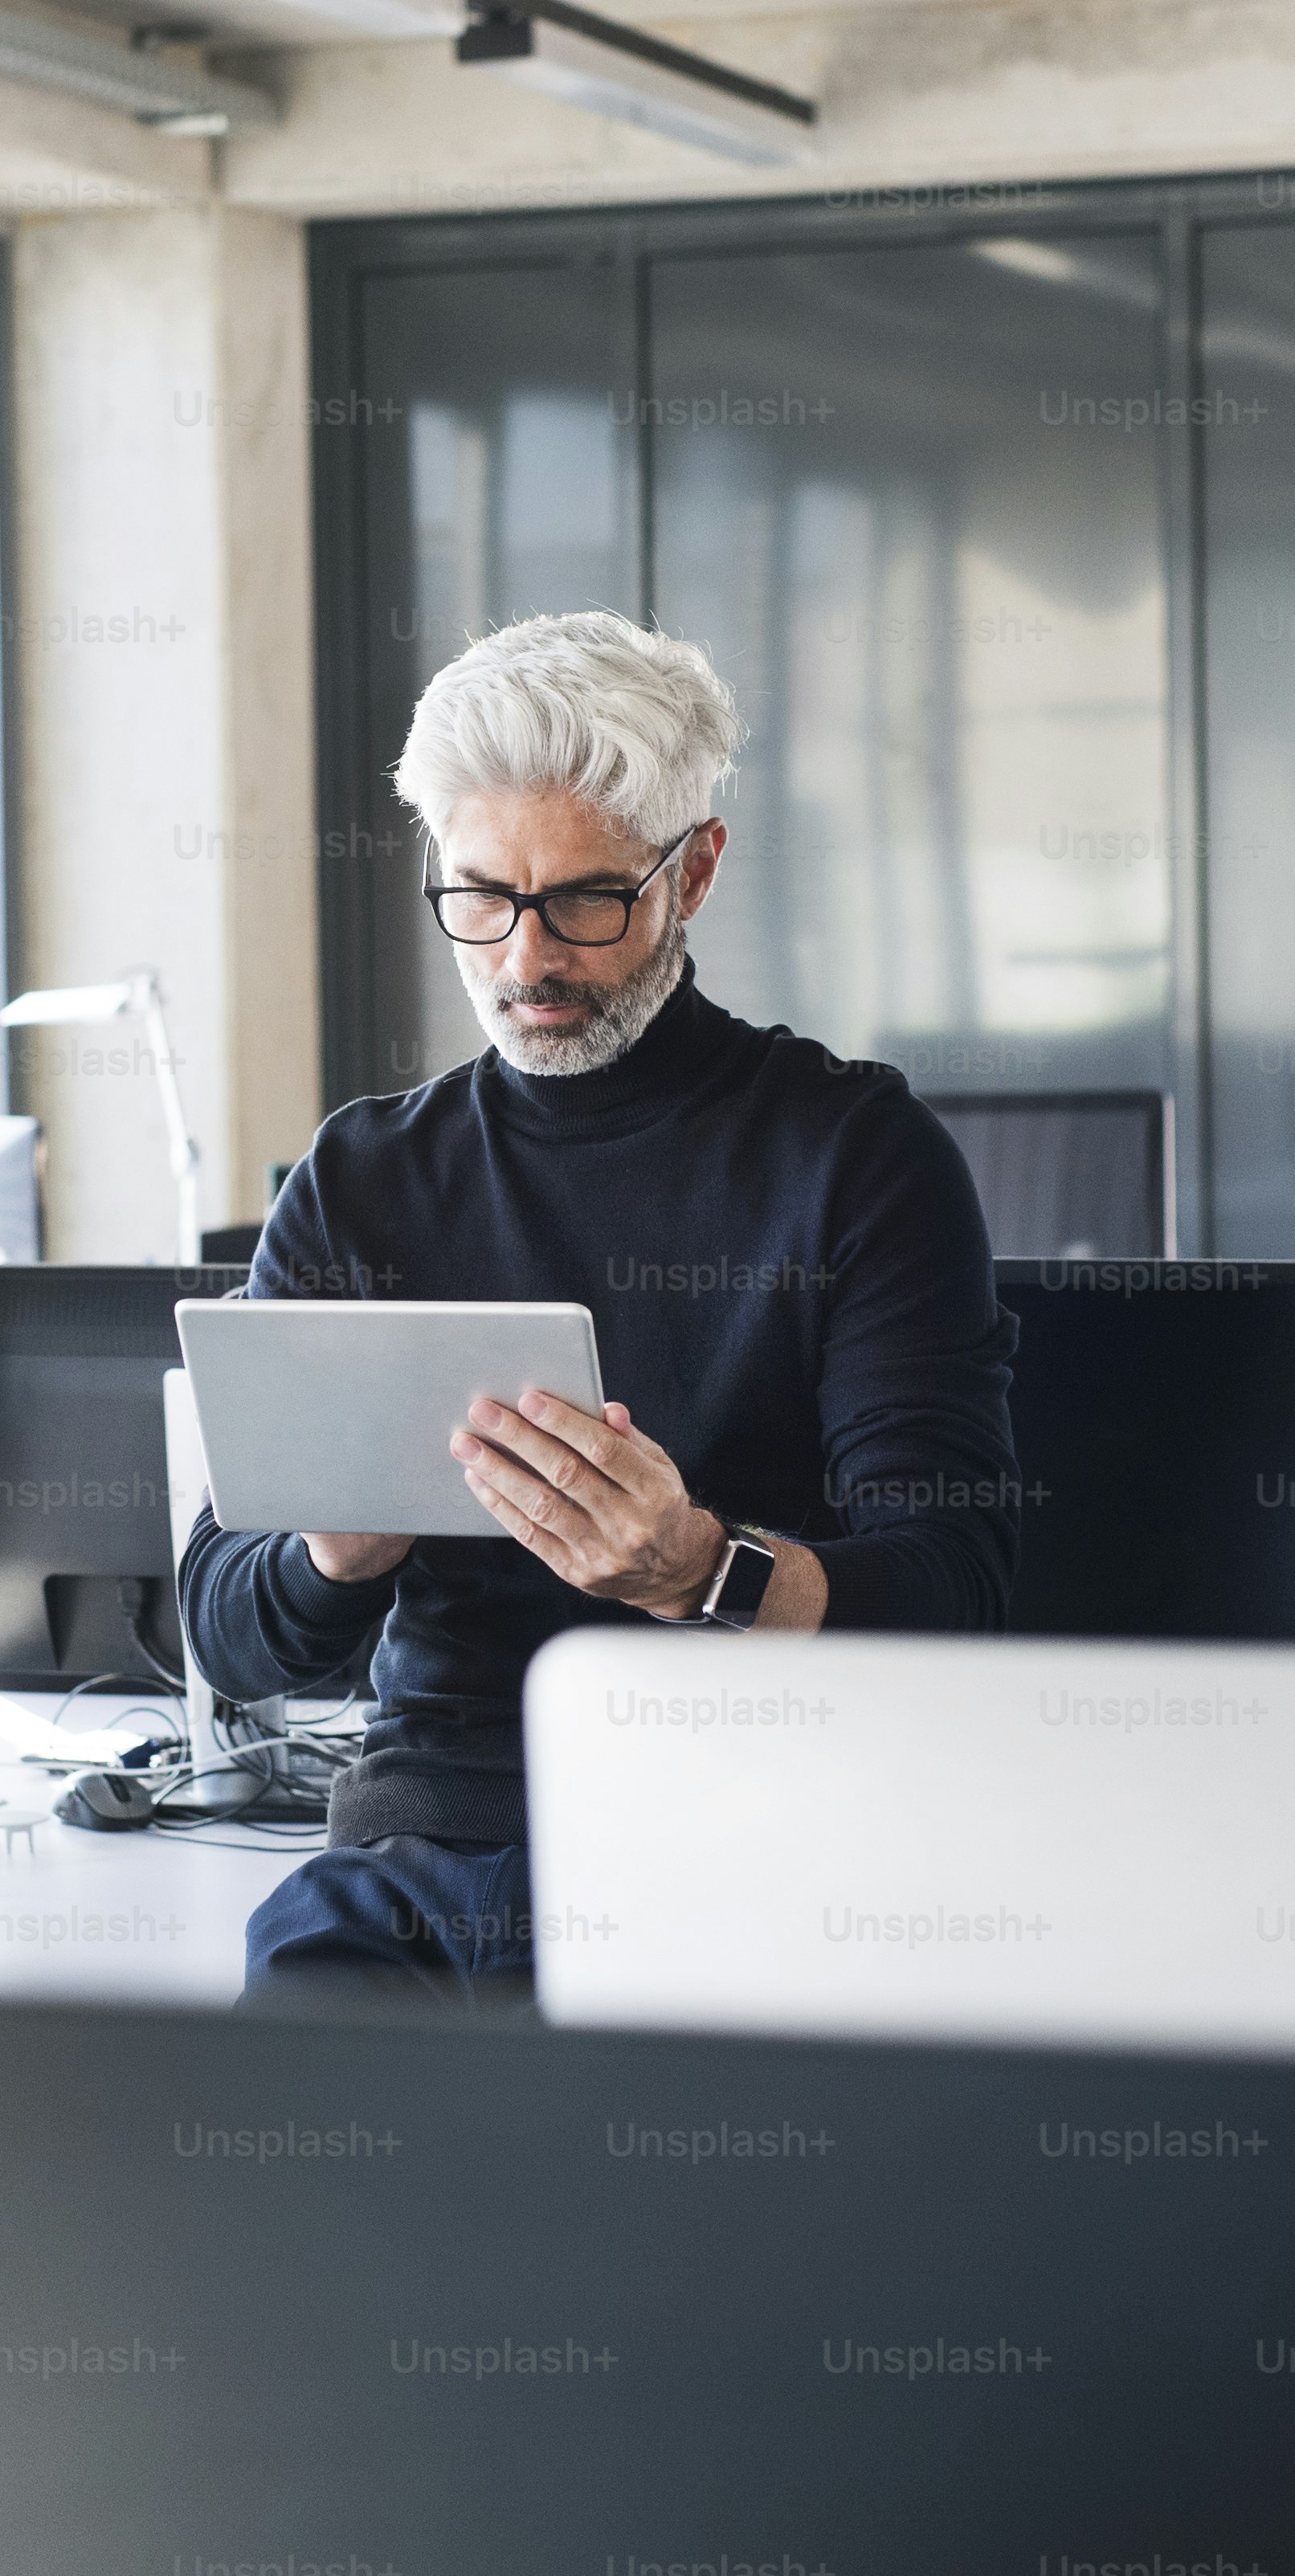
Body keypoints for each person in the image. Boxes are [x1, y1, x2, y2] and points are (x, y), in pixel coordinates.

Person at [178, 610, 1018, 2007]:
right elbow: (225, 1626)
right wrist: (334, 1555)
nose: (524, 960)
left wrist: (705, 1573)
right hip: (427, 1847)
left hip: (737, 1833)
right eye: (480, 896)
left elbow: (959, 1587)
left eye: (584, 901)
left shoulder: (852, 1157)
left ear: (695, 871)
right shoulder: (365, 1176)